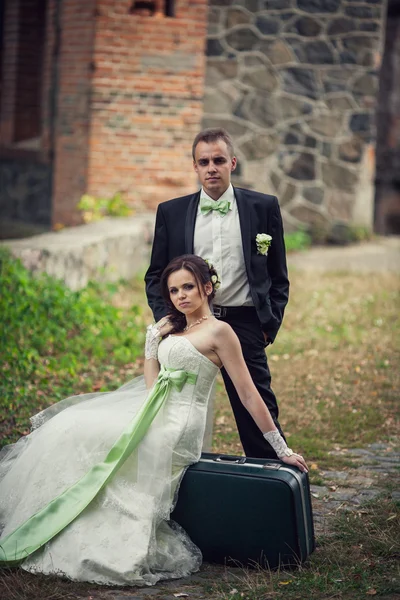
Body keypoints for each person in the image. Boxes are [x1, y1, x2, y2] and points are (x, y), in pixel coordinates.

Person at [0, 255, 307, 587]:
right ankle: (54, 514)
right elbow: (152, 387)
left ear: (207, 287)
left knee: (92, 438)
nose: (181, 296)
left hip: (180, 425)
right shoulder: (176, 328)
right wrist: (151, 346)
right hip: (155, 411)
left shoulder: (221, 331)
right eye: (174, 291)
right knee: (70, 427)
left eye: (188, 287)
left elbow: (248, 393)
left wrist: (281, 448)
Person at [145, 128, 289, 459]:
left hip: (245, 323)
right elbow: (156, 274)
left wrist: (269, 323)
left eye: (219, 160)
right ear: (195, 167)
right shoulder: (172, 212)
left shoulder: (263, 207)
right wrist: (169, 319)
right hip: (190, 327)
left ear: (232, 163)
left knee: (255, 407)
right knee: (176, 414)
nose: (212, 167)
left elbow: (278, 275)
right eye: (204, 161)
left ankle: (271, 482)